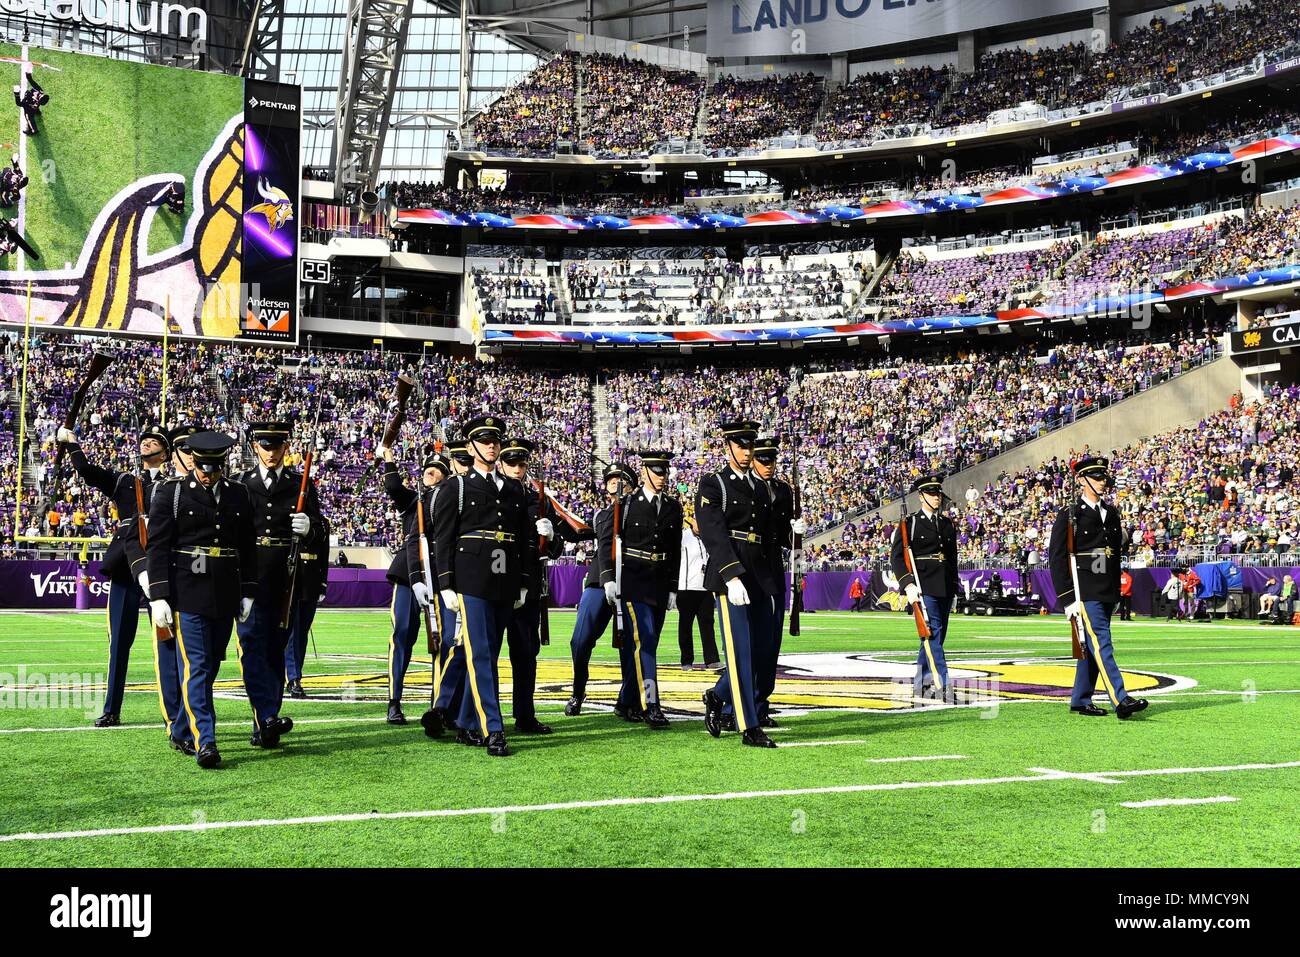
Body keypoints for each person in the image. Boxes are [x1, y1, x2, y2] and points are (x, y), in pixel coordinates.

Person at [145, 431, 257, 768]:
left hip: (224, 591)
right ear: (193, 462)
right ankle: (204, 740)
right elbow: (158, 546)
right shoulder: (171, 493)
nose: (207, 476)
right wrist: (159, 596)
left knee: (209, 667)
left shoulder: (238, 494)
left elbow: (247, 546)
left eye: (214, 469)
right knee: (197, 666)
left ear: (223, 465)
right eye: (202, 468)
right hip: (187, 591)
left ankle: (181, 728)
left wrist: (248, 590)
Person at [431, 415, 534, 757]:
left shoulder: (515, 489)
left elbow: (522, 540)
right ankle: (494, 728)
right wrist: (446, 584)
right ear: (472, 445)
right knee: (481, 654)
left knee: (489, 652)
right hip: (472, 577)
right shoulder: (456, 487)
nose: (492, 445)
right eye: (485, 440)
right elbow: (443, 539)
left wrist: (522, 582)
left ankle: (465, 722)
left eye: (496, 441)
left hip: (504, 578)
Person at [57, 422, 171, 731]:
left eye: (154, 441)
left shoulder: (175, 486)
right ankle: (111, 709)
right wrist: (71, 442)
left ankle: (171, 713)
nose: (146, 443)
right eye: (144, 439)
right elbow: (87, 471)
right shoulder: (124, 481)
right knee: (119, 642)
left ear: (165, 453)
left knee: (166, 641)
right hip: (125, 567)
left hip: (160, 569)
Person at [235, 420, 328, 747]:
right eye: (264, 445)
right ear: (255, 447)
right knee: (251, 649)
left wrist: (310, 528)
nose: (270, 452)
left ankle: (268, 719)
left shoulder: (300, 484)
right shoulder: (241, 484)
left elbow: (320, 534)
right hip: (250, 576)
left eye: (276, 446)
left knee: (275, 650)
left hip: (286, 579)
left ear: (286, 447)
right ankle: (265, 716)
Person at [498, 436, 592, 735]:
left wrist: (551, 536)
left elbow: (553, 549)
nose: (516, 468)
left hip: (530, 588)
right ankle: (477, 715)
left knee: (526, 653)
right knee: (484, 653)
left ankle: (524, 714)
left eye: (521, 463)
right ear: (501, 463)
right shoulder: (492, 494)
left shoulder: (538, 499)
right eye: (511, 462)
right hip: (497, 584)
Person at [697, 420, 780, 748]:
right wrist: (731, 576)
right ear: (728, 446)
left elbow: (768, 536)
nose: (747, 453)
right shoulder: (714, 484)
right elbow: (713, 533)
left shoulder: (759, 488)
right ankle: (749, 727)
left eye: (750, 446)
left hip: (759, 576)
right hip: (732, 577)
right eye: (741, 446)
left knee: (760, 653)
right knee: (741, 652)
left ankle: (717, 696)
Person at [1047, 456, 1148, 720]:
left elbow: (1113, 556)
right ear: (1081, 480)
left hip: (1106, 589)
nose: (1102, 482)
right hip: (1085, 590)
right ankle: (1120, 698)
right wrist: (1068, 598)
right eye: (1096, 477)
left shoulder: (1111, 512)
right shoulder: (1070, 514)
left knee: (1092, 646)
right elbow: (1057, 558)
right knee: (1102, 643)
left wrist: (1115, 591)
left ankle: (1081, 699)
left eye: (1103, 477)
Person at [599, 450, 682, 729]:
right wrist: (608, 577)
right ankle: (651, 704)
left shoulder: (673, 507)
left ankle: (626, 701)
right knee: (645, 641)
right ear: (644, 472)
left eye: (665, 472)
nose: (662, 477)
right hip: (633, 581)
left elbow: (674, 550)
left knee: (648, 643)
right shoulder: (626, 504)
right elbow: (608, 542)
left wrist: (673, 587)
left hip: (660, 582)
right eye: (657, 472)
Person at [378, 440, 448, 726]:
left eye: (435, 471)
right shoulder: (415, 500)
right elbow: (394, 488)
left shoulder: (449, 499)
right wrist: (389, 458)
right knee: (403, 634)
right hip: (410, 575)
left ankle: (438, 704)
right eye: (428, 471)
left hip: (440, 576)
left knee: (441, 641)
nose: (429, 474)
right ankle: (394, 701)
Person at [566, 462, 635, 715]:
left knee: (630, 644)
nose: (617, 485)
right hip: (599, 582)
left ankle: (627, 700)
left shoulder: (640, 512)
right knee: (580, 641)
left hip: (630, 584)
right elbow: (591, 539)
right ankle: (577, 691)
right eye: (612, 481)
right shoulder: (601, 515)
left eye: (622, 481)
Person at [890, 475, 959, 701]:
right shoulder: (909, 524)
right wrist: (907, 583)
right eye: (931, 493)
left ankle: (920, 684)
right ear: (921, 497)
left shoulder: (947, 524)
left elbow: (952, 558)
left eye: (938, 493)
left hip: (945, 586)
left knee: (934, 637)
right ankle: (943, 685)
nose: (936, 497)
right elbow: (898, 558)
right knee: (932, 635)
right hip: (923, 585)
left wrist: (955, 588)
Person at [751, 435, 805, 726]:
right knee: (751, 642)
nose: (768, 465)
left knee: (772, 641)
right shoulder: (747, 487)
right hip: (750, 568)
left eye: (772, 459)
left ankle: (761, 703)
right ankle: (733, 701)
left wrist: (796, 532)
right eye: (762, 460)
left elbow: (787, 538)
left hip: (773, 568)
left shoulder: (785, 490)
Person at [424, 442, 470, 737]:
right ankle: (446, 709)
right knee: (462, 647)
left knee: (473, 651)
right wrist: (446, 583)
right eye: (460, 460)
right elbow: (441, 540)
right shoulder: (451, 492)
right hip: (462, 579)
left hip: (490, 577)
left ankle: (454, 711)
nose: (464, 465)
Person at [677, 509, 719, 670]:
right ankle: (686, 661)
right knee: (685, 625)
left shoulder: (709, 538)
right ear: (692, 521)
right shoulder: (683, 537)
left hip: (706, 587)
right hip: (686, 587)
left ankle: (712, 659)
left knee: (708, 624)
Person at [13, 70, 49, 136]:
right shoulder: (40, 91)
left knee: (29, 118)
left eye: (40, 96)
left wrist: (16, 93)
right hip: (33, 105)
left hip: (29, 109)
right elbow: (32, 82)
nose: (39, 94)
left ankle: (33, 130)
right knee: (36, 109)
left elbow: (19, 103)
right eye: (41, 95)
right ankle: (38, 112)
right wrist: (28, 75)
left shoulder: (31, 103)